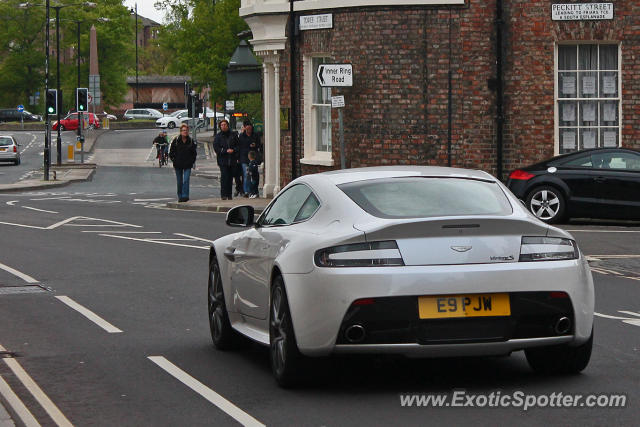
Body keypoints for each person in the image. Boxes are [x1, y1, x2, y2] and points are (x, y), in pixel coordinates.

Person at [169, 123, 197, 202]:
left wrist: (192, 161)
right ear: (180, 131)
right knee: (179, 181)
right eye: (183, 130)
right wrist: (174, 160)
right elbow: (171, 152)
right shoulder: (176, 140)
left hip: (188, 164)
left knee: (186, 180)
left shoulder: (190, 141)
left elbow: (194, 153)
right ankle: (180, 195)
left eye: (186, 130)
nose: (185, 132)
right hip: (178, 164)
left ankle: (185, 196)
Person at [213, 119, 239, 200]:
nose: (223, 126)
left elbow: (238, 146)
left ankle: (229, 194)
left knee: (230, 177)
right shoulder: (218, 136)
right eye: (222, 125)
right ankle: (223, 194)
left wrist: (233, 150)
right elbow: (216, 148)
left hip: (232, 160)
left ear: (227, 125)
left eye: (225, 125)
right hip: (223, 160)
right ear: (220, 127)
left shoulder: (233, 135)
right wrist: (225, 151)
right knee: (224, 177)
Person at [237, 120, 263, 197]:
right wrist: (238, 158)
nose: (249, 129)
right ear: (244, 128)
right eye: (247, 127)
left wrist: (255, 145)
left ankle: (253, 191)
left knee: (254, 175)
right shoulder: (241, 136)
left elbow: (259, 145)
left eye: (250, 127)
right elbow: (240, 147)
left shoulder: (255, 135)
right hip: (244, 157)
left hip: (253, 158)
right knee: (246, 174)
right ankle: (246, 191)